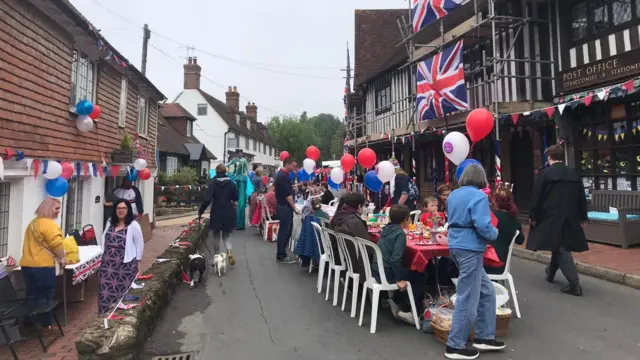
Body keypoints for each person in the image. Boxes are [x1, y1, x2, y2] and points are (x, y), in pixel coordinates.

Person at [445, 163, 504, 359]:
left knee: (486, 291)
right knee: (468, 296)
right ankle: (455, 345)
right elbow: (482, 224)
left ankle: (484, 336)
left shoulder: (453, 195)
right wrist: (495, 233)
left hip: (455, 244)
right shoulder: (479, 196)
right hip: (471, 246)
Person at [527, 144, 588, 296]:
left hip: (551, 216)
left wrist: (533, 215)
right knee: (559, 244)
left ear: (549, 157)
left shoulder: (545, 174)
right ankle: (551, 271)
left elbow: (537, 197)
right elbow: (582, 197)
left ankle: (574, 284)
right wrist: (583, 216)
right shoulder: (573, 174)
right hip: (570, 215)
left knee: (561, 247)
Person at [373, 204, 426, 325]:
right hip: (387, 273)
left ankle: (396, 300)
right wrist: (398, 279)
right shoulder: (400, 234)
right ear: (406, 219)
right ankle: (410, 310)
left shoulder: (385, 229)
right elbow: (396, 259)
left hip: (377, 270)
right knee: (421, 276)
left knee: (410, 271)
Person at [20, 198, 66, 327]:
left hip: (27, 264)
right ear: (48, 208)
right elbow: (56, 244)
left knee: (32, 293)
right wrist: (62, 258)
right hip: (43, 265)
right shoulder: (49, 224)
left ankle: (28, 322)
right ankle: (46, 324)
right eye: (56, 208)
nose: (58, 212)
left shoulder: (33, 223)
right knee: (46, 295)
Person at [98, 199, 144, 315]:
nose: (121, 210)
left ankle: (117, 316)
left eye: (124, 208)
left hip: (125, 265)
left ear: (128, 210)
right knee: (104, 293)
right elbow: (104, 237)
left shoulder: (133, 225)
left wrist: (138, 261)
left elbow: (139, 244)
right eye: (118, 208)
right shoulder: (110, 222)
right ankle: (103, 316)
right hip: (108, 265)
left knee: (121, 293)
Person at [199, 164, 240, 265]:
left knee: (216, 236)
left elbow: (207, 199)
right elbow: (236, 197)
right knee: (226, 236)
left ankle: (216, 257)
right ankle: (229, 251)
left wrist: (201, 211)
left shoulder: (213, 183)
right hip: (229, 212)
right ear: (225, 171)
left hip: (217, 212)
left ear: (216, 172)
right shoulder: (231, 183)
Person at [485, 183, 525, 275]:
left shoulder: (489, 215)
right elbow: (520, 240)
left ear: (495, 200)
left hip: (487, 261)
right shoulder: (514, 219)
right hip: (502, 264)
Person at [329, 193, 370, 278]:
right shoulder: (355, 222)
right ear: (359, 206)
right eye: (363, 206)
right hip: (355, 262)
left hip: (342, 256)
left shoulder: (339, 216)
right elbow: (366, 247)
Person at [274, 157, 300, 263]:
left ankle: (282, 253)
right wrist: (295, 208)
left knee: (286, 231)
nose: (294, 168)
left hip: (282, 206)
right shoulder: (283, 177)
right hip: (284, 206)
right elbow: (288, 195)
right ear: (287, 164)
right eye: (293, 166)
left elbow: (285, 190)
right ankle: (281, 255)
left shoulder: (282, 175)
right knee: (284, 231)